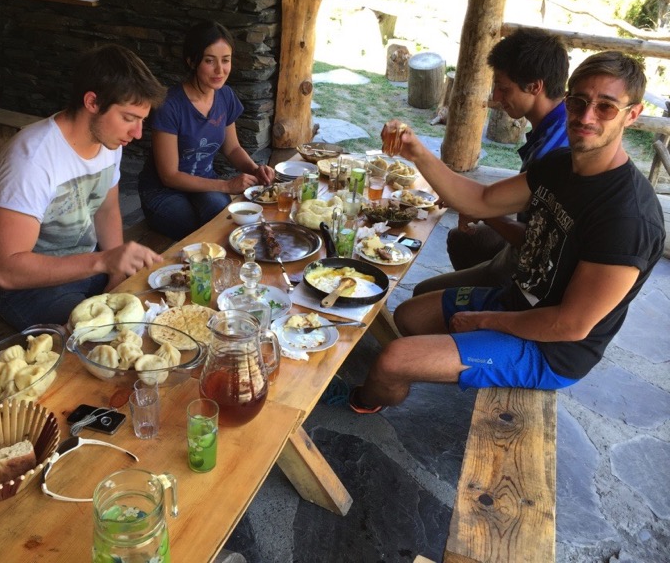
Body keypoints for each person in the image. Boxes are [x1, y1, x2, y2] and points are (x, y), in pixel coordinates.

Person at [350, 51, 665, 414]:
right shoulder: (560, 165)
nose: (586, 116)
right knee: (409, 315)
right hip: (517, 302)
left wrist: (485, 322)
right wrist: (417, 152)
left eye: (606, 107)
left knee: (393, 360)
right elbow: (482, 199)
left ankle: (362, 402)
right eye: (578, 101)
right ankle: (460, 360)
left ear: (632, 114)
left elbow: (570, 325)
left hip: (551, 350)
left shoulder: (628, 218)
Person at [0, 44, 167, 330]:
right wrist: (103, 261)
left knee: (160, 303)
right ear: (92, 102)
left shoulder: (109, 142)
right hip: (30, 288)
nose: (137, 133)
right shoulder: (31, 160)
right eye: (128, 118)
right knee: (106, 335)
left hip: (88, 264)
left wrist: (116, 273)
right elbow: (6, 270)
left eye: (142, 120)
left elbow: (107, 210)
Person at [413, 28, 569, 296]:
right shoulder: (555, 126)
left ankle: (492, 301)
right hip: (524, 243)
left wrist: (481, 209)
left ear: (535, 87)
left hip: (535, 267)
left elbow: (534, 242)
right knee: (463, 239)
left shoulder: (555, 151)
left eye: (504, 88)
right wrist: (476, 205)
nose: (496, 97)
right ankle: (472, 298)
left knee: (423, 294)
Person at [138, 21, 275, 240]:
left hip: (204, 182)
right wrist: (226, 185)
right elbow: (169, 176)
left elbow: (232, 148)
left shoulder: (225, 96)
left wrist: (255, 170)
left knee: (221, 217)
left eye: (226, 60)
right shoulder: (170, 105)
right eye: (209, 61)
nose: (220, 70)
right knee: (196, 227)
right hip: (163, 191)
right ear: (192, 61)